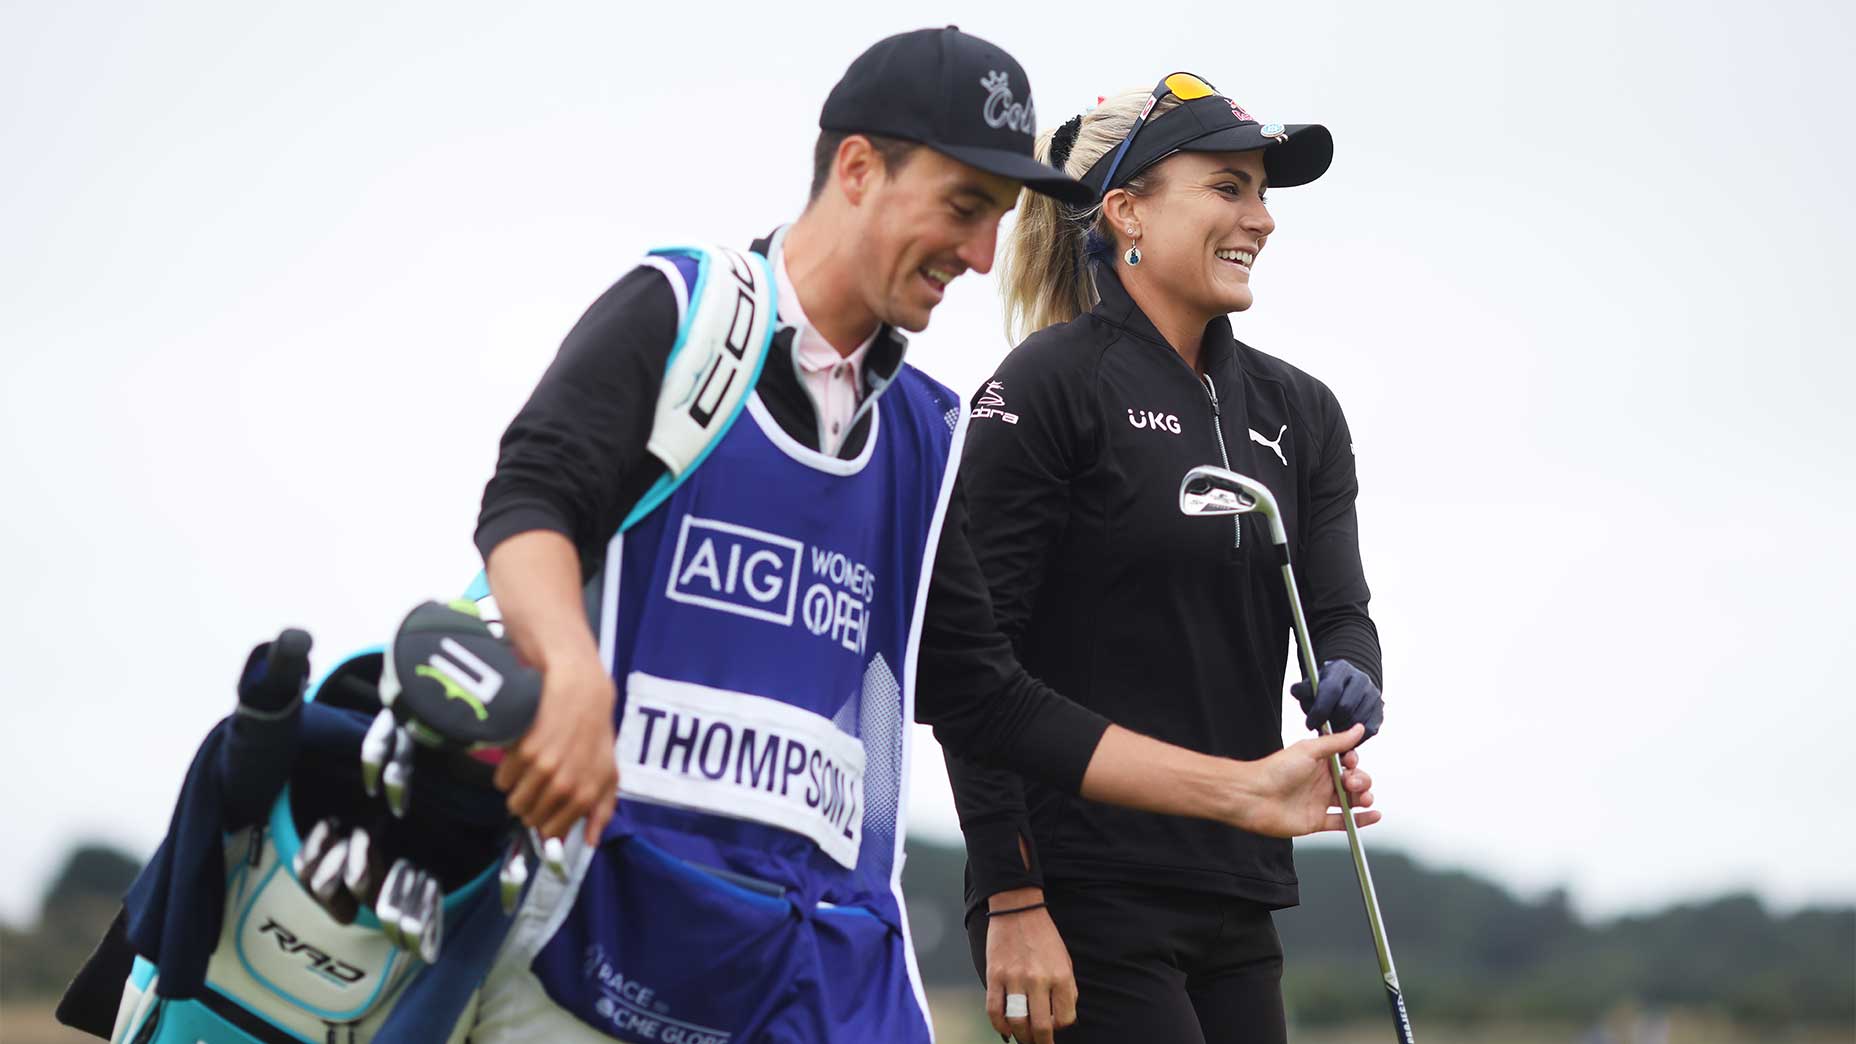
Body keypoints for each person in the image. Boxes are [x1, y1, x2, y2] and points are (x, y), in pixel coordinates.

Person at [468, 36, 1379, 1044]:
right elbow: (529, 497)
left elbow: (983, 694)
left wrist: (1245, 792)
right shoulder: (685, 309)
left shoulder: (918, 432)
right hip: (593, 936)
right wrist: (568, 673)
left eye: (996, 215)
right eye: (961, 205)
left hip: (805, 959)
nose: (984, 252)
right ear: (857, 169)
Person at [943, 73, 1386, 1044]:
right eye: (1228, 187)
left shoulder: (1300, 413)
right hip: (1075, 887)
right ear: (1125, 210)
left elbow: (1337, 612)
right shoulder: (1045, 386)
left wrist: (1351, 683)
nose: (1259, 218)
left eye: (1261, 193)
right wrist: (1011, 894)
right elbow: (970, 668)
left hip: (1236, 881)